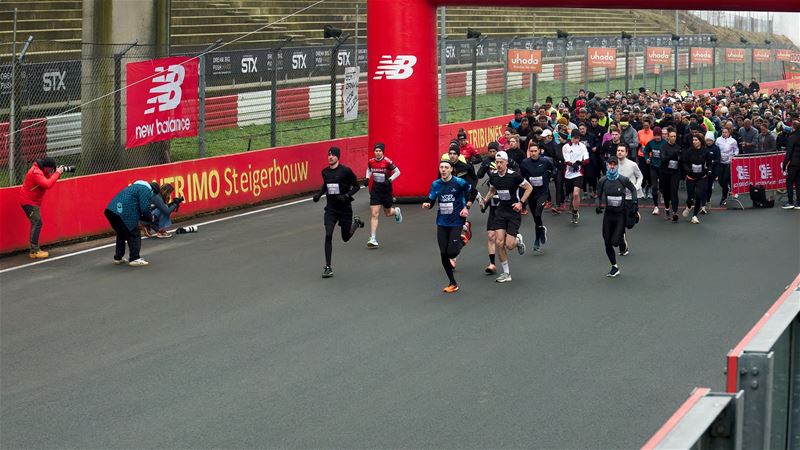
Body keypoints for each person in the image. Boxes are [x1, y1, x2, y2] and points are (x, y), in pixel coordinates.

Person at [312, 147, 364, 278]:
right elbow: (326, 185)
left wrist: (346, 196)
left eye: (333, 155)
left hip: (345, 209)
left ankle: (356, 223)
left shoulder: (345, 171)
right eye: (329, 155)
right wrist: (319, 195)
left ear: (338, 157)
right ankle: (328, 267)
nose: (330, 157)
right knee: (328, 235)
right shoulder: (325, 172)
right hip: (331, 209)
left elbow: (357, 186)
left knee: (345, 238)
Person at [423, 160, 472, 293]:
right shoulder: (436, 184)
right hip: (442, 222)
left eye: (446, 167)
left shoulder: (459, 182)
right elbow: (432, 200)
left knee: (452, 252)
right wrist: (428, 204)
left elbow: (472, 193)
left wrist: (466, 207)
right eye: (441, 167)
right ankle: (452, 282)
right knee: (443, 253)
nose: (443, 170)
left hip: (456, 220)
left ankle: (463, 238)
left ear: (451, 169)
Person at [483, 151, 533, 282]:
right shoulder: (493, 176)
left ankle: (518, 240)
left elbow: (529, 188)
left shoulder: (514, 176)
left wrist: (521, 203)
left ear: (506, 163)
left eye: (501, 162)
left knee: (509, 245)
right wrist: (486, 199)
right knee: (499, 242)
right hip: (500, 211)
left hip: (513, 212)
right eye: (497, 162)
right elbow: (493, 190)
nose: (498, 165)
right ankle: (506, 273)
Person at [595, 157, 637, 277]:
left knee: (614, 242)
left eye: (614, 164)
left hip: (620, 215)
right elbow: (598, 195)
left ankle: (621, 236)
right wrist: (598, 205)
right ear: (607, 166)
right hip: (608, 215)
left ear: (617, 166)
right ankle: (614, 267)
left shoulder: (623, 179)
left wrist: (634, 203)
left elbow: (633, 189)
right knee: (607, 241)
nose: (612, 167)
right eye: (610, 165)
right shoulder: (602, 181)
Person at [104, 180, 159, 266]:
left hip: (111, 210)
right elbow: (144, 208)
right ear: (153, 191)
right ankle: (134, 258)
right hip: (124, 213)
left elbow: (136, 207)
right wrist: (150, 218)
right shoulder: (146, 189)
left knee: (121, 234)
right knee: (134, 233)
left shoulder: (134, 187)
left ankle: (118, 257)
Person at [18, 157, 64, 259]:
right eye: (51, 169)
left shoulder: (41, 170)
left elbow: (48, 179)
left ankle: (34, 249)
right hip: (28, 202)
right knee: (37, 222)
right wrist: (57, 173)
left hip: (32, 202)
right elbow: (47, 184)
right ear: (47, 167)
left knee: (36, 223)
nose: (52, 171)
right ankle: (34, 251)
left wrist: (57, 173)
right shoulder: (36, 173)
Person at [520, 143, 556, 253]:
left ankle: (536, 240)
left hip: (543, 193)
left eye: (535, 151)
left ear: (539, 151)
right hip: (531, 193)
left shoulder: (545, 161)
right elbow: (521, 176)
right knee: (536, 219)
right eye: (531, 151)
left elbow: (554, 170)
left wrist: (550, 177)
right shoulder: (525, 163)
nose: (533, 153)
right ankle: (541, 229)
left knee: (537, 213)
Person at [365, 142, 402, 248]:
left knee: (388, 213)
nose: (377, 153)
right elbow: (368, 169)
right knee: (374, 214)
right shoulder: (371, 162)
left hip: (386, 190)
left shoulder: (387, 162)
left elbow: (398, 172)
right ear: (374, 152)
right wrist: (367, 178)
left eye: (379, 151)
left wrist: (389, 180)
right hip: (376, 190)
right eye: (376, 151)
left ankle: (396, 211)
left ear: (383, 152)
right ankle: (373, 238)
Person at [682, 132, 712, 224]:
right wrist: (688, 170)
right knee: (690, 198)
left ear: (700, 141)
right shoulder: (689, 151)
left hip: (701, 177)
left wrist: (709, 171)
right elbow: (684, 163)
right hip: (691, 177)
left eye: (696, 140)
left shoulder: (705, 151)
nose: (694, 141)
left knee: (699, 195)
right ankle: (689, 206)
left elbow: (709, 164)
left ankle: (694, 216)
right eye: (693, 140)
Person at [562, 131, 590, 224]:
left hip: (578, 173)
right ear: (571, 137)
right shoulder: (566, 147)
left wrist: (581, 163)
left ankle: (575, 212)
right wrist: (572, 164)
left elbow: (586, 159)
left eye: (578, 138)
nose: (576, 140)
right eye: (574, 138)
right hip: (568, 174)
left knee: (576, 194)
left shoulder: (582, 146)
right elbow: (567, 160)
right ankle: (572, 205)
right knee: (571, 194)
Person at [660, 127, 683, 222]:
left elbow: (681, 160)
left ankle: (675, 212)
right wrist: (672, 156)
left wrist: (680, 157)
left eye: (675, 136)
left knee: (674, 192)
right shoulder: (663, 147)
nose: (673, 138)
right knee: (666, 193)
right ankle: (667, 209)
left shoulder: (678, 147)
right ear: (668, 137)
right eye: (671, 136)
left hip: (675, 173)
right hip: (665, 172)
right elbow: (663, 159)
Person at [642, 126, 664, 215]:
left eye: (659, 135)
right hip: (653, 167)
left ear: (661, 135)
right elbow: (645, 151)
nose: (657, 137)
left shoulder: (665, 143)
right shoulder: (651, 143)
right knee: (654, 187)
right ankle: (656, 206)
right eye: (655, 135)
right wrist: (647, 158)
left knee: (662, 186)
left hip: (662, 168)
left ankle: (662, 193)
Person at [715, 127, 739, 206]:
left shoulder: (733, 141)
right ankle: (727, 188)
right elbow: (716, 149)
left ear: (729, 133)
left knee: (725, 180)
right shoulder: (718, 140)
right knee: (721, 180)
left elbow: (736, 150)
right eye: (723, 132)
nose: (724, 133)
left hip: (729, 163)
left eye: (726, 132)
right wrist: (718, 156)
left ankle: (723, 197)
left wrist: (734, 156)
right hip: (720, 162)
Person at [783, 120, 800, 209]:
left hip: (793, 163)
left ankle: (790, 202)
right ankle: (799, 202)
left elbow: (789, 153)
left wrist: (784, 165)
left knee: (789, 182)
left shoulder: (792, 137)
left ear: (793, 128)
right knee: (798, 183)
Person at [704, 132, 722, 208]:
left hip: (712, 170)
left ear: (713, 140)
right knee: (703, 186)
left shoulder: (716, 148)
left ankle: (708, 200)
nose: (708, 142)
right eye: (707, 140)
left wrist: (711, 161)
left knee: (709, 186)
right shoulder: (703, 147)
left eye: (710, 140)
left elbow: (718, 159)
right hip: (704, 170)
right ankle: (702, 200)